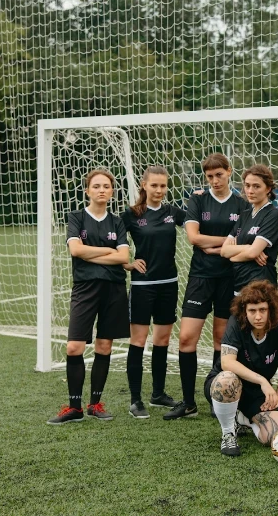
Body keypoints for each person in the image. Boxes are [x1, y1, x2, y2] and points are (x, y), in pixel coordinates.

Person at [164, 153, 250, 421]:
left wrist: (215, 245)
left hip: (230, 277)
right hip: (200, 277)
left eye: (219, 175)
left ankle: (216, 397)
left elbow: (242, 240)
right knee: (187, 338)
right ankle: (188, 402)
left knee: (220, 339)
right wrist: (226, 242)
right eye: (210, 176)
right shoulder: (197, 199)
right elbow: (193, 237)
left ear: (229, 171)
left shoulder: (242, 203)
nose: (214, 180)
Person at [47, 169, 130, 425]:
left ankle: (95, 404)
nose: (101, 190)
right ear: (87, 190)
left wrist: (91, 253)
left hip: (114, 289)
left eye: (106, 186)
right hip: (85, 288)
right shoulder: (76, 217)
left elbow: (123, 258)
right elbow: (75, 250)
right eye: (96, 186)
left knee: (104, 346)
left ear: (112, 191)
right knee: (74, 347)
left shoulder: (117, 222)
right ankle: (74, 407)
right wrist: (107, 250)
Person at [121, 166, 186, 418]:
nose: (159, 190)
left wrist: (201, 197)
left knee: (161, 341)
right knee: (138, 341)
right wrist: (127, 263)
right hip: (142, 287)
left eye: (163, 186)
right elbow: (111, 240)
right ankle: (135, 400)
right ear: (144, 185)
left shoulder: (173, 213)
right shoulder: (132, 214)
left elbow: (199, 219)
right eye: (154, 185)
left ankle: (158, 394)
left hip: (168, 284)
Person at [205, 280, 278, 456]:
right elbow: (227, 362)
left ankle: (243, 419)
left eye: (262, 310)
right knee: (228, 379)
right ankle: (228, 433)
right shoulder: (236, 323)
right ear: (244, 311)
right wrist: (263, 380)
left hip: (255, 391)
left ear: (270, 309)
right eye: (252, 311)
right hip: (225, 385)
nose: (258, 316)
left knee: (276, 436)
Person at [220, 164, 278, 293]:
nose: (250, 190)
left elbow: (253, 253)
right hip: (239, 283)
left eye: (256, 186)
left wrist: (234, 257)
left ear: (268, 189)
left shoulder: (272, 214)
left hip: (261, 285)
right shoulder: (245, 215)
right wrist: (248, 247)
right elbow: (224, 251)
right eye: (247, 185)